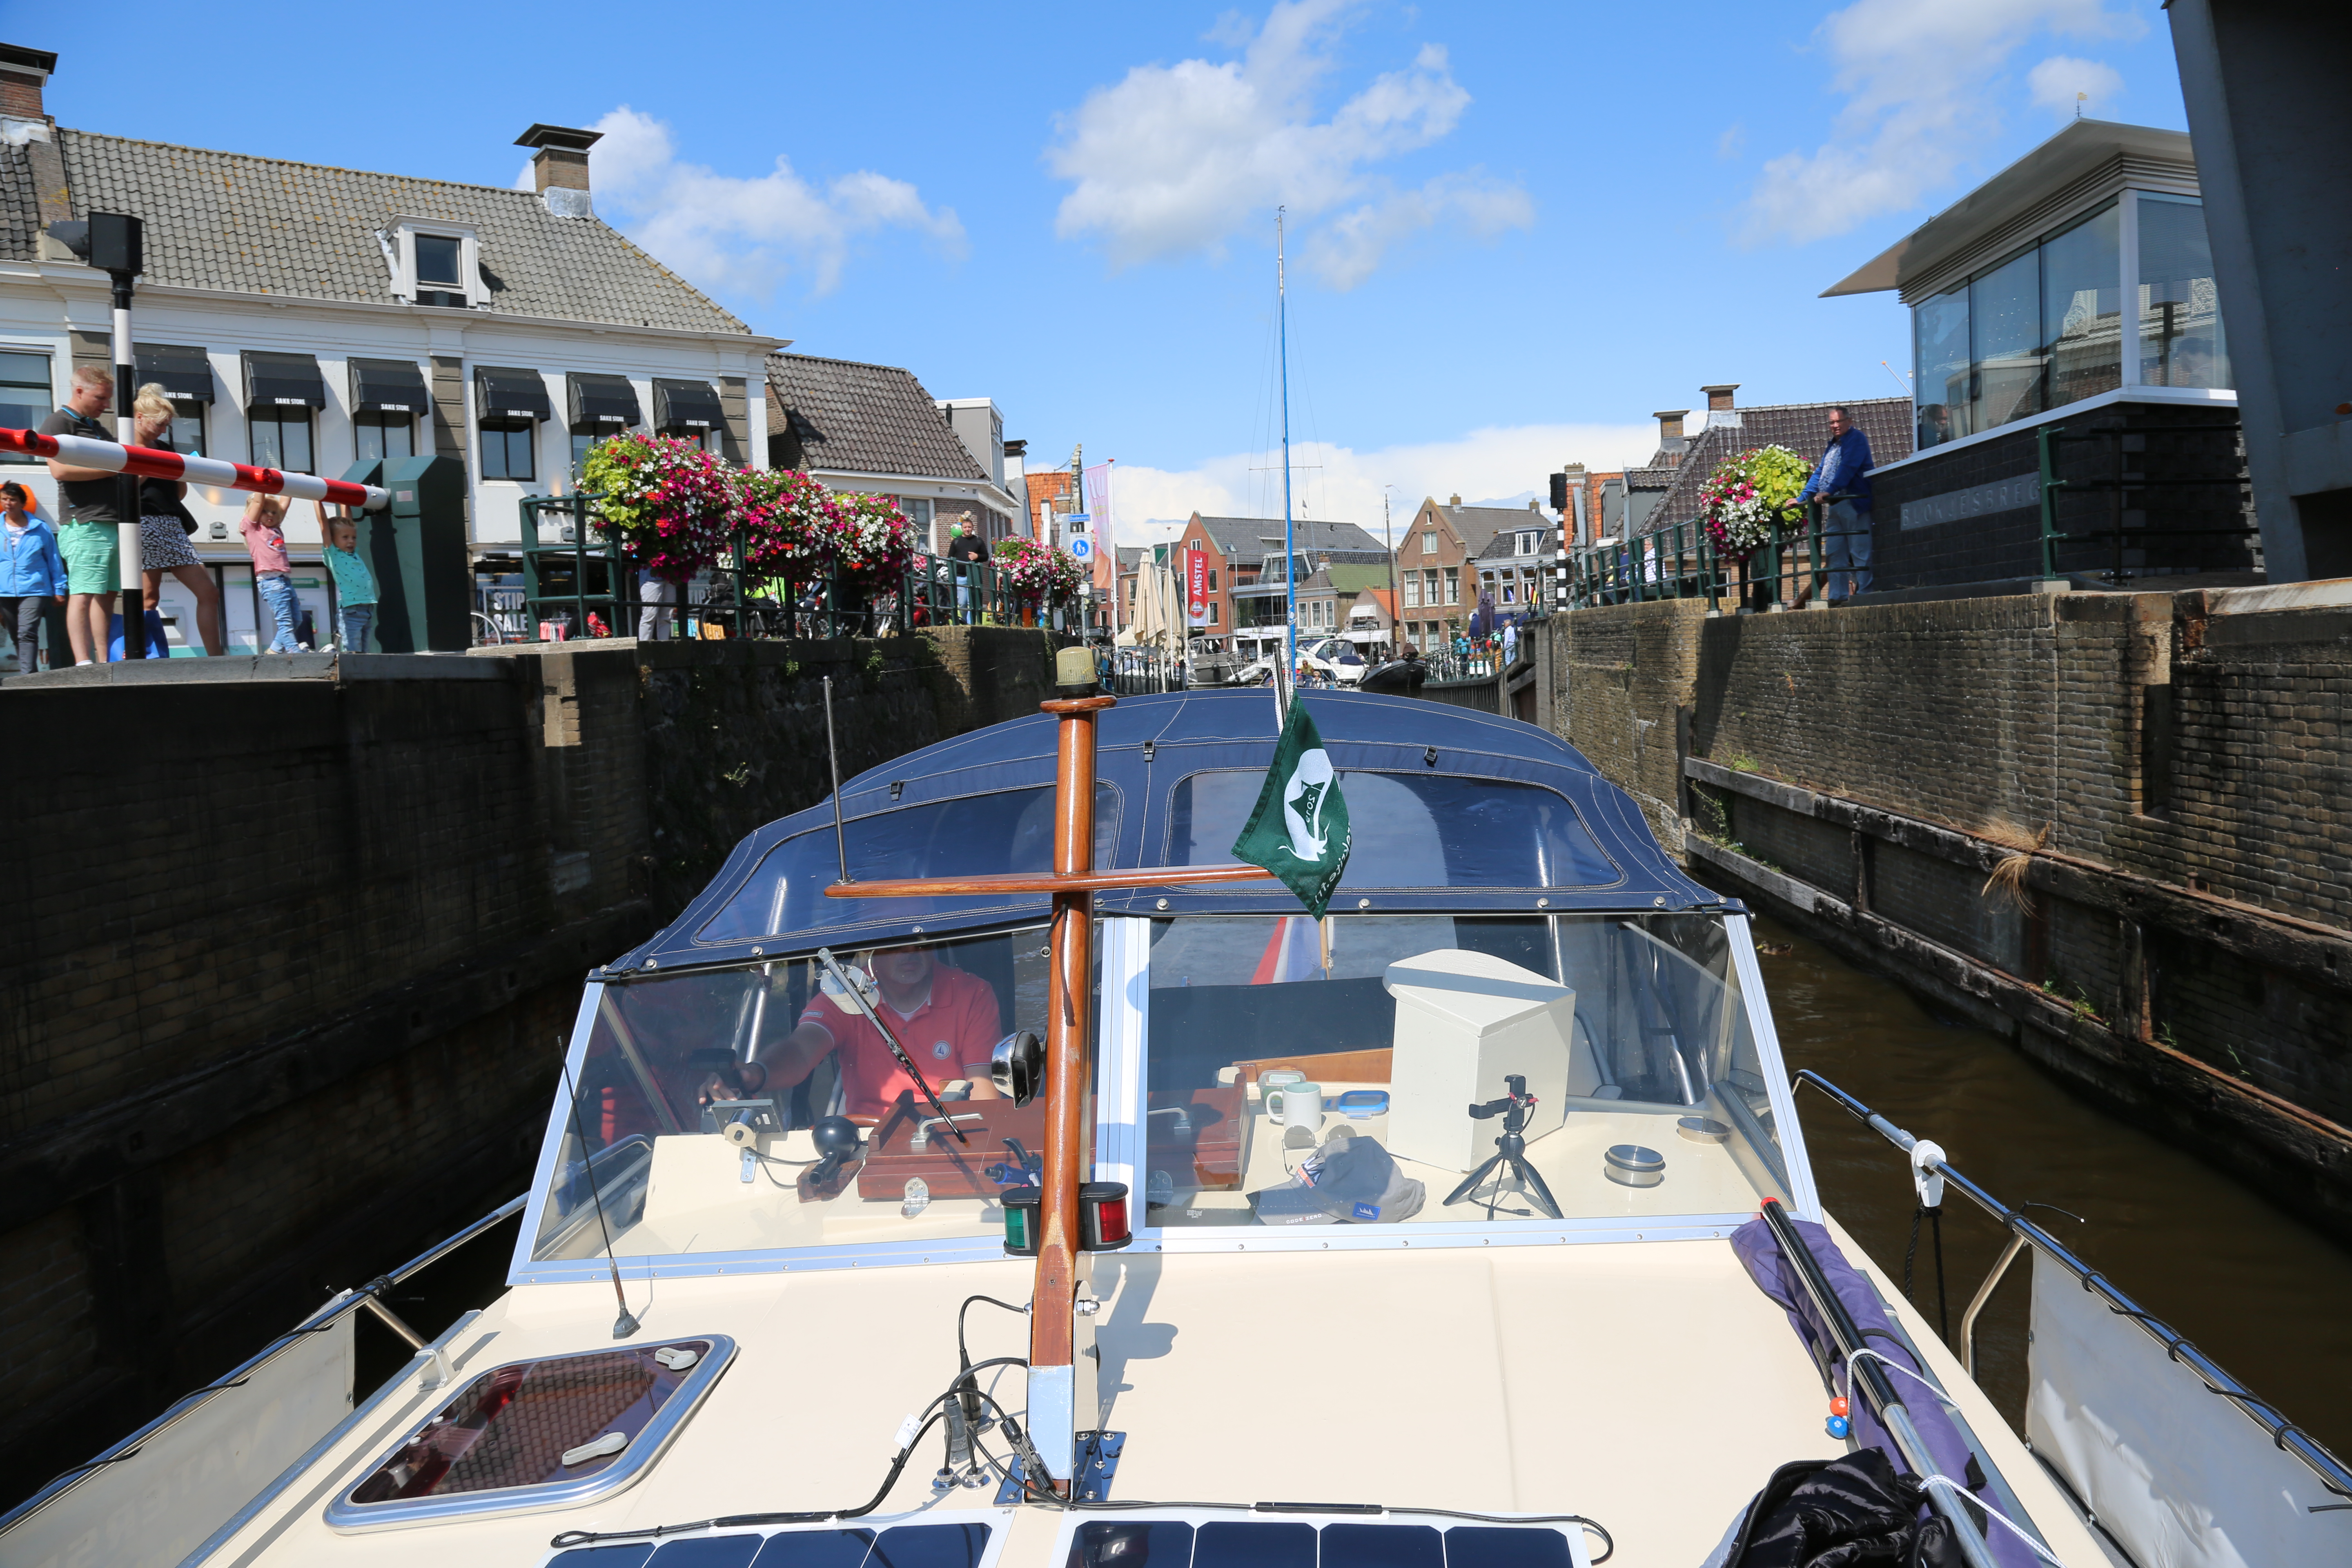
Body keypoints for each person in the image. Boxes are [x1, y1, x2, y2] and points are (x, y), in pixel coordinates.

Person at [738, 944, 1004, 1123]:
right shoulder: (842, 993)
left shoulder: (973, 993)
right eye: (894, 941)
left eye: (919, 940)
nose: (909, 951)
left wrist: (976, 1148)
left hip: (951, 1132)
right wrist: (756, 1074)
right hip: (865, 1141)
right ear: (868, 947)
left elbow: (984, 1091)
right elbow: (801, 1049)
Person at [40, 365, 125, 665]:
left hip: (112, 521)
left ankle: (104, 662)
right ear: (79, 392)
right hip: (85, 522)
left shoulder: (99, 429)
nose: (106, 405)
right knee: (84, 592)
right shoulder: (58, 422)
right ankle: (82, 663)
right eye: (101, 398)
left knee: (108, 594)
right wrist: (115, 469)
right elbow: (60, 470)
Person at [131, 385, 225, 656]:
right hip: (145, 522)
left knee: (208, 593)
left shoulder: (163, 447)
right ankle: (143, 657)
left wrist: (181, 472)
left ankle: (215, 658)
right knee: (149, 598)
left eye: (166, 426)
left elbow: (179, 492)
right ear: (140, 418)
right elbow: (124, 489)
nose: (163, 431)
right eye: (160, 425)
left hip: (170, 523)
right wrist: (153, 465)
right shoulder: (124, 446)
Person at [1795, 405, 1876, 605]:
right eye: (1832, 422)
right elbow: (1820, 472)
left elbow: (1848, 468)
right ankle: (1837, 597)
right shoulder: (1833, 446)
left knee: (1860, 550)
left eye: (1839, 421)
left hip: (1852, 502)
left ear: (1849, 421)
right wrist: (1802, 498)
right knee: (1834, 553)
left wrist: (1830, 490)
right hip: (1834, 505)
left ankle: (1866, 593)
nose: (1835, 425)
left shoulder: (1856, 439)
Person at [0, 481, 65, 674]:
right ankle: (32, 674)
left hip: (35, 587)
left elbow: (54, 560)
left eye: (13, 500)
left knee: (26, 632)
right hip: (4, 590)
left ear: (22, 503)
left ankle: (26, 677)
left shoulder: (40, 528)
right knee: (15, 633)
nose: (8, 503)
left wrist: (59, 588)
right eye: (5, 499)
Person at [314, 500, 378, 652]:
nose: (351, 541)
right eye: (345, 537)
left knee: (364, 651)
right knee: (352, 649)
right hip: (352, 610)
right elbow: (323, 523)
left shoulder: (354, 554)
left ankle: (360, 673)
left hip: (367, 609)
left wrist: (345, 500)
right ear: (333, 540)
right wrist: (317, 499)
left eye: (354, 538)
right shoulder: (334, 554)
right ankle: (332, 654)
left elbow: (349, 521)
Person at [239, 491, 299, 653]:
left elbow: (284, 505)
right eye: (265, 512)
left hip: (284, 581)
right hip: (271, 582)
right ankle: (295, 652)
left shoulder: (276, 528)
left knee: (297, 619)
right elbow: (258, 503)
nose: (270, 515)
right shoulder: (253, 529)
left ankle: (275, 649)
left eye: (274, 512)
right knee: (285, 622)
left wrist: (291, 484)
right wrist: (263, 484)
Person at [946, 521, 984, 624]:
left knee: (971, 602)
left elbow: (986, 556)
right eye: (965, 527)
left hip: (974, 576)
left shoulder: (978, 541)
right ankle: (965, 621)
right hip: (960, 576)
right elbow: (950, 558)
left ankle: (969, 624)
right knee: (962, 603)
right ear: (962, 528)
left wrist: (978, 557)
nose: (967, 529)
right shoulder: (956, 542)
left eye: (969, 527)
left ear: (972, 528)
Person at [637, 568, 676, 641]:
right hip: (651, 578)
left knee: (667, 616)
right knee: (650, 615)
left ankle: (664, 646)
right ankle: (644, 647)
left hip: (670, 578)